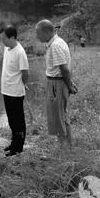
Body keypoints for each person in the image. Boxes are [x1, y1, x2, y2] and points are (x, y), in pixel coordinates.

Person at [35, 19, 77, 148]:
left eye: (38, 33)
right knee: (60, 114)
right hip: (56, 83)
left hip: (57, 84)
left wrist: (69, 85)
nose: (37, 37)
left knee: (58, 115)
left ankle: (64, 146)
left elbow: (64, 68)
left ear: (47, 32)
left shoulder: (56, 45)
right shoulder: (55, 43)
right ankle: (67, 144)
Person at [0, 26, 29, 157]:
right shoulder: (7, 48)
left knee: (18, 121)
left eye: (4, 39)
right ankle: (13, 143)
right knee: (11, 120)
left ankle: (18, 147)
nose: (3, 41)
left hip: (16, 92)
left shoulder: (20, 52)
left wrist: (24, 85)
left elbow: (25, 73)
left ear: (12, 37)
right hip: (6, 90)